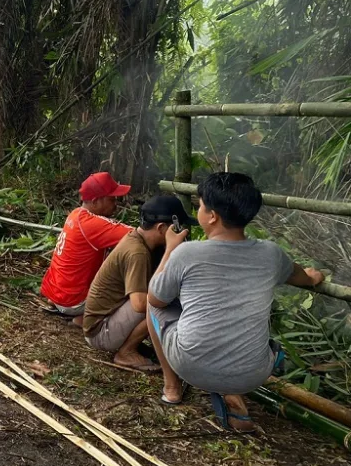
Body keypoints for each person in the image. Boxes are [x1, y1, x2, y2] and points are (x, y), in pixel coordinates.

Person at [147, 172, 324, 432]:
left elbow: (155, 299)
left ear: (212, 216)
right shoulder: (271, 254)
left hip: (191, 366)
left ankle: (172, 388)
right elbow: (305, 278)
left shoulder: (186, 253)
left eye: (201, 205)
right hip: (253, 373)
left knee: (154, 307)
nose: (199, 210)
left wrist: (171, 248)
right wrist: (314, 276)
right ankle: (234, 397)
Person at [82, 196, 195, 371]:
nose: (182, 233)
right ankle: (126, 352)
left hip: (104, 320)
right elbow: (140, 304)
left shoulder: (138, 239)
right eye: (178, 228)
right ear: (162, 228)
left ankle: (132, 343)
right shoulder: (137, 253)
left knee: (160, 297)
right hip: (101, 332)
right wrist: (171, 249)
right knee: (158, 303)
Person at [40, 172, 133, 324]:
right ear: (96, 201)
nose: (116, 203)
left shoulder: (76, 214)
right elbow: (138, 235)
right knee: (134, 293)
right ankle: (89, 319)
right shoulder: (91, 223)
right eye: (112, 199)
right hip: (73, 302)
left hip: (58, 294)